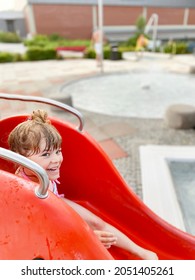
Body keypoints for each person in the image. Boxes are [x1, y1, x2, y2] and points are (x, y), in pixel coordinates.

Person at [8, 109, 158, 260]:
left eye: (58, 151)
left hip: (53, 200)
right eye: (46, 154)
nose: (56, 159)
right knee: (90, 240)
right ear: (20, 159)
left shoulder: (39, 174)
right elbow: (45, 232)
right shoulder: (25, 192)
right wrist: (87, 237)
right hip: (43, 222)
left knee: (96, 223)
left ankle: (141, 252)